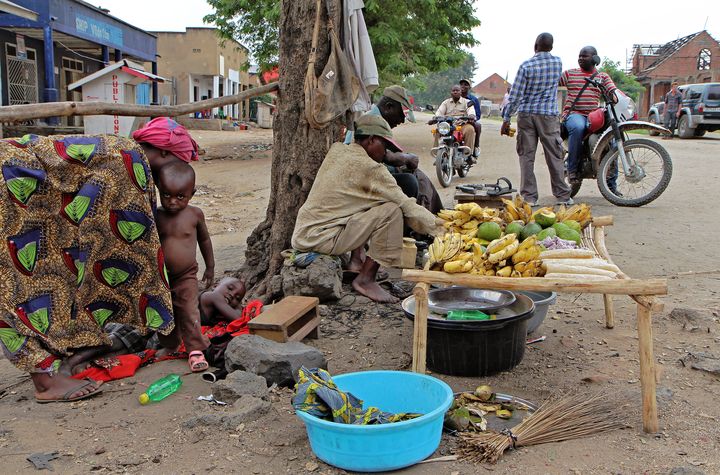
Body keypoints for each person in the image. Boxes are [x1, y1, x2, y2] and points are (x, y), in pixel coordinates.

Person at [0, 116, 198, 403]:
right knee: (12, 281)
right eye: (181, 163)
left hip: (14, 168)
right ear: (165, 153)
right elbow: (135, 244)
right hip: (9, 178)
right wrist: (164, 322)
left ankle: (53, 359)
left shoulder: (114, 147)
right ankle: (44, 382)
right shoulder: (132, 159)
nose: (182, 172)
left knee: (34, 272)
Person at [292, 115, 444, 303]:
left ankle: (357, 261)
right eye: (385, 147)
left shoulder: (337, 150)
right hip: (320, 239)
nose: (386, 154)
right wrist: (445, 230)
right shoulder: (372, 170)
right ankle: (366, 280)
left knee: (371, 201)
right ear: (371, 140)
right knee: (392, 211)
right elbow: (409, 208)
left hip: (305, 233)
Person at [501, 33, 572, 206]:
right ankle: (563, 195)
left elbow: (516, 95)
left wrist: (506, 118)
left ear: (535, 46)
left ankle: (529, 197)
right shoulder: (557, 63)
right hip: (548, 115)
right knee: (554, 155)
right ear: (552, 47)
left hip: (527, 115)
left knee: (527, 156)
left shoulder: (526, 66)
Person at [155, 162, 213, 372]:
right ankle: (170, 345)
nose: (172, 202)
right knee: (164, 313)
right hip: (161, 277)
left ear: (192, 193)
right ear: (159, 190)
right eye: (166, 195)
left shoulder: (194, 215)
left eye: (180, 196)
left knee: (189, 310)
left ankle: (195, 349)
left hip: (186, 275)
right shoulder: (156, 215)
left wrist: (210, 267)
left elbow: (205, 241)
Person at [368, 85, 444, 214]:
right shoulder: (372, 121)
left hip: (372, 171)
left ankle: (435, 215)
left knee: (418, 176)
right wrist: (406, 158)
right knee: (411, 181)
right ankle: (416, 221)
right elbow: (385, 156)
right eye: (400, 113)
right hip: (366, 177)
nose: (402, 120)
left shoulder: (376, 119)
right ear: (388, 107)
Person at [559, 46, 618, 185]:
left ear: (595, 59)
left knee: (612, 137)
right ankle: (573, 170)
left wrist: (617, 97)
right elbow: (551, 85)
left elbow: (612, 90)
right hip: (574, 114)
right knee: (578, 127)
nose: (580, 59)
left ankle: (611, 183)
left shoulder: (602, 76)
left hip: (594, 115)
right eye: (579, 56)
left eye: (584, 56)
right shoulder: (570, 74)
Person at [432, 85, 477, 162]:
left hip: (462, 125)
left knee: (470, 129)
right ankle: (438, 156)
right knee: (437, 130)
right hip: (448, 125)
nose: (455, 92)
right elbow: (439, 112)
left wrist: (471, 116)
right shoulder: (445, 102)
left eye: (457, 90)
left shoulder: (467, 102)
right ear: (451, 92)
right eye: (453, 91)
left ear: (461, 92)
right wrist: (435, 118)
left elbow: (471, 111)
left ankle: (468, 155)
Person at [459, 78, 482, 159]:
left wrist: (472, 118)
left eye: (466, 84)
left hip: (468, 121)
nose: (463, 86)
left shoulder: (473, 99)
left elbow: (478, 114)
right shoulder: (455, 96)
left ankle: (475, 147)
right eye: (461, 84)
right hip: (456, 120)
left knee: (478, 126)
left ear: (469, 87)